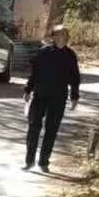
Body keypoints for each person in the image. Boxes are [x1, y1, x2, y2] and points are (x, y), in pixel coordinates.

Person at [23, 24, 80, 173]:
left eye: (64, 36)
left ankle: (44, 161)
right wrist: (28, 89)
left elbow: (75, 78)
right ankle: (29, 161)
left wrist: (75, 96)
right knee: (33, 128)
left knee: (51, 130)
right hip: (40, 95)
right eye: (58, 35)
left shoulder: (70, 55)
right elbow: (34, 73)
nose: (61, 38)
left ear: (67, 39)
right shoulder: (43, 52)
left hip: (58, 98)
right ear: (53, 37)